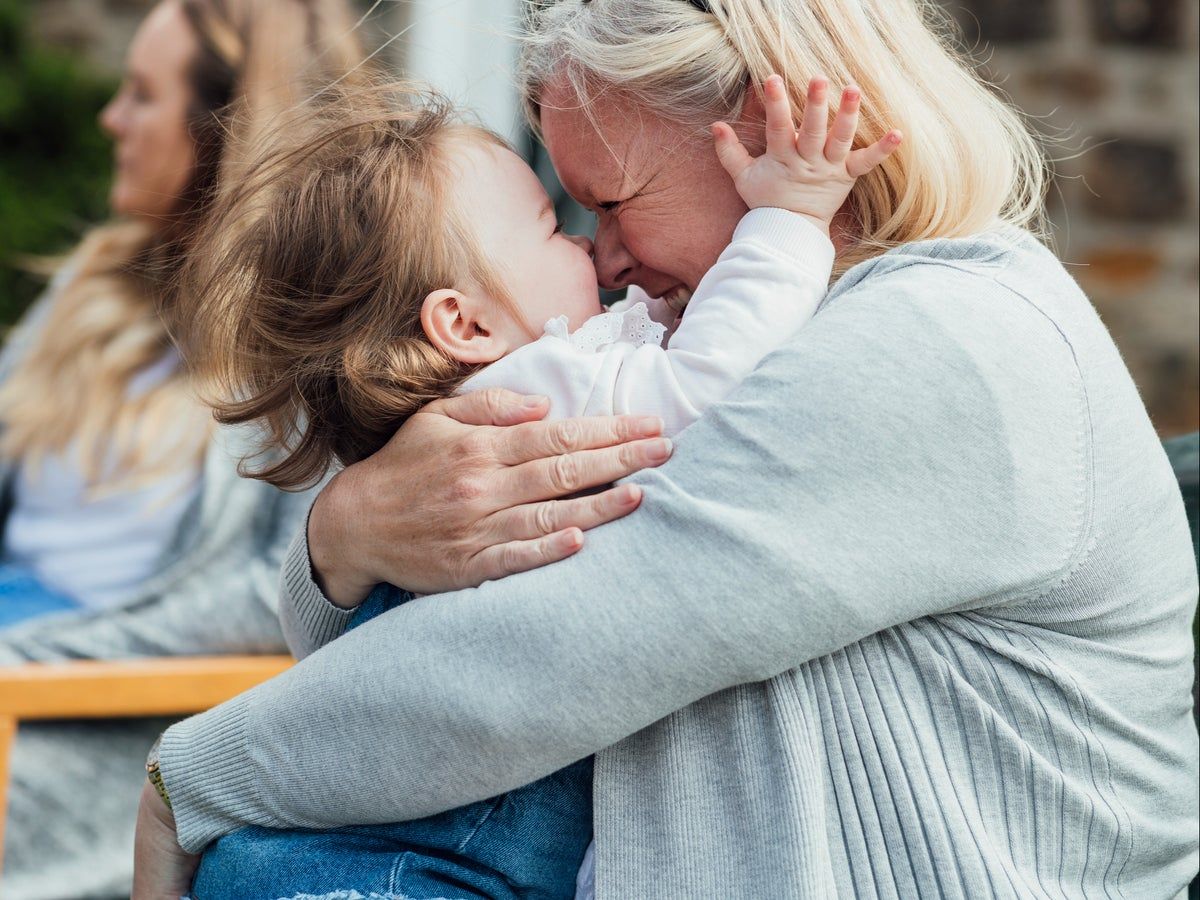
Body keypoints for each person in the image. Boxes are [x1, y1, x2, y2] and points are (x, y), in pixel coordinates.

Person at [136, 0, 1200, 897]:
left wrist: (194, 777)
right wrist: (349, 531)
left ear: (767, 123)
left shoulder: (943, 342)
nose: (602, 260)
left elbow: (535, 665)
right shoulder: (727, 341)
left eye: (608, 200)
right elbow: (431, 648)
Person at [170, 73, 897, 898]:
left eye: (607, 205)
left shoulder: (479, 400)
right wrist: (789, 220)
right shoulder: (532, 390)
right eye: (556, 228)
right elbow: (709, 384)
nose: (594, 248)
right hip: (410, 872)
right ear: (465, 325)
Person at [0, 1, 380, 896]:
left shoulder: (310, 346)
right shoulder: (97, 286)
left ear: (220, 135)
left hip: (95, 713)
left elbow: (273, 592)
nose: (111, 118)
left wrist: (32, 654)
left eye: (140, 94)